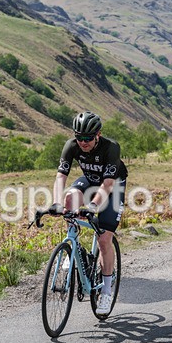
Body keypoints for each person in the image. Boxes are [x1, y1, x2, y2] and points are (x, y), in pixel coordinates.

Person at [50, 111, 128, 314]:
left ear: (98, 135)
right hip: (90, 180)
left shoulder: (111, 148)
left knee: (104, 240)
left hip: (113, 186)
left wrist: (93, 206)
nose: (83, 142)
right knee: (69, 199)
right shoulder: (71, 146)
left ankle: (107, 291)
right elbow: (61, 177)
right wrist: (56, 203)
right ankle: (72, 244)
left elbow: (108, 183)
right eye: (79, 137)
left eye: (88, 138)